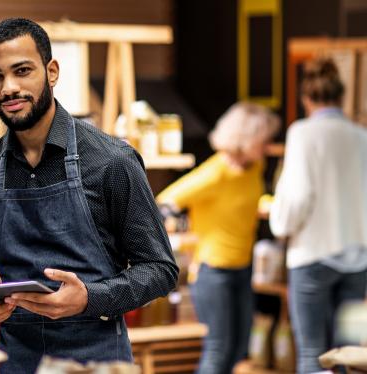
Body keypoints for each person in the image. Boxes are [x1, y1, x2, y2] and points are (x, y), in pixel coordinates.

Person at [0, 18, 178, 373]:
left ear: (51, 72)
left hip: (99, 363)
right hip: (16, 362)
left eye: (22, 71)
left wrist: (90, 297)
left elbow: (160, 269)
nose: (9, 88)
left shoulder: (112, 162)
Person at [157, 102, 279, 374]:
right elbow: (165, 201)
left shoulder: (255, 167)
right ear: (247, 139)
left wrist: (271, 203)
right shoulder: (215, 173)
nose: (268, 146)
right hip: (213, 273)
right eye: (265, 139)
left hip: (242, 269)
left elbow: (248, 200)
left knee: (239, 350)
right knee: (218, 349)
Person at [269, 57, 367, 374]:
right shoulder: (361, 136)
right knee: (348, 354)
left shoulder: (303, 133)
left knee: (312, 353)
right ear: (341, 96)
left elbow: (298, 195)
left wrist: (280, 225)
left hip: (312, 257)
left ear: (306, 99)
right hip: (356, 259)